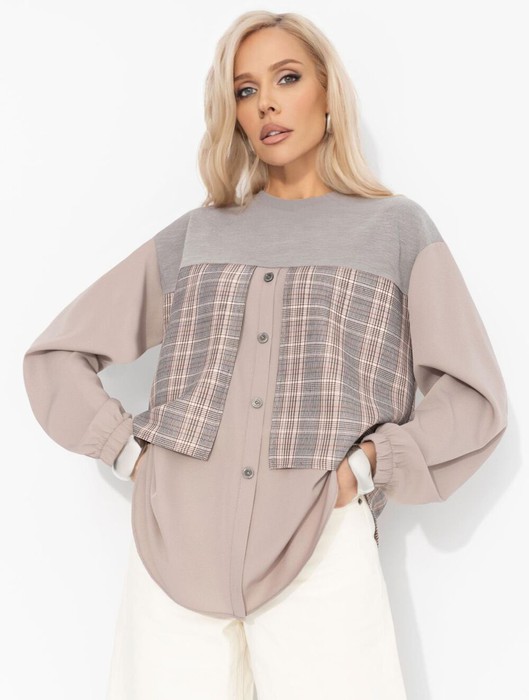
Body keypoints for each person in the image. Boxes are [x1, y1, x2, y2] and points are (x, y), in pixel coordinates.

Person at [22, 10, 508, 700]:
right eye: (245, 90)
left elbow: (473, 395)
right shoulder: (199, 235)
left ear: (328, 92)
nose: (266, 104)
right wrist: (133, 457)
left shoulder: (395, 230)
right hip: (174, 550)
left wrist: (367, 468)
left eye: (287, 78)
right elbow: (56, 354)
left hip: (320, 545)